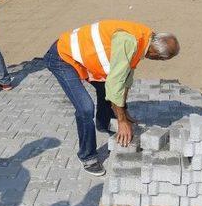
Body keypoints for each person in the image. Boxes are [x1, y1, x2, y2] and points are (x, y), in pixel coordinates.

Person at [44, 20, 180, 176]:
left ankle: (103, 123)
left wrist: (125, 110)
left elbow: (126, 77)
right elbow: (115, 84)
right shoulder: (129, 42)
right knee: (85, 108)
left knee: (105, 89)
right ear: (155, 54)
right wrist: (122, 121)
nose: (159, 62)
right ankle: (87, 156)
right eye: (161, 59)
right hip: (62, 57)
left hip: (83, 57)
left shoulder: (145, 39)